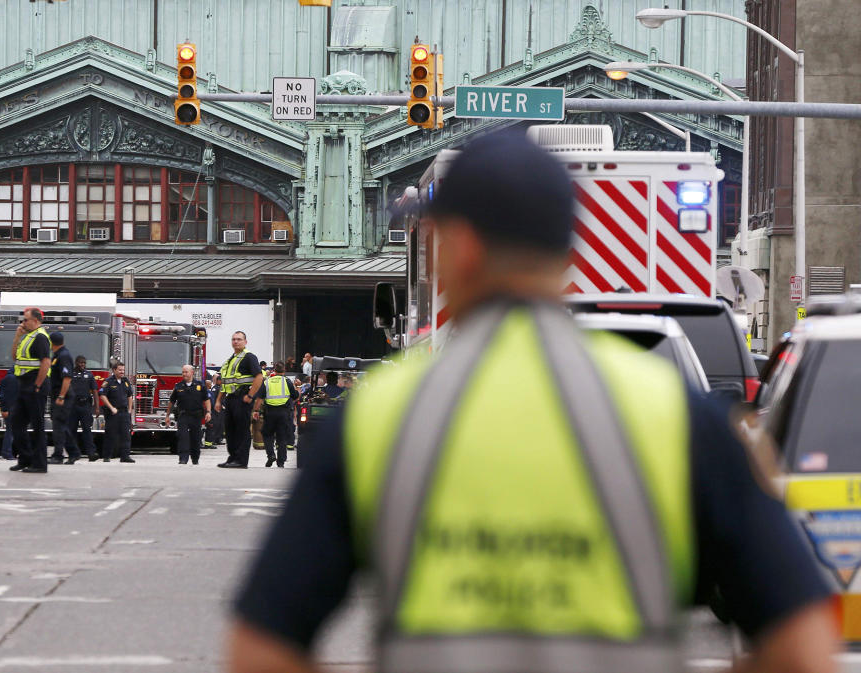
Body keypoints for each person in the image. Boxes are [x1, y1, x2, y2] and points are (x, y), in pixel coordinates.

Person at [228, 133, 839, 673]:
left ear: (459, 248)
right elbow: (804, 646)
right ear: (565, 250)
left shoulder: (381, 417)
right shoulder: (682, 418)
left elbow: (260, 650)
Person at [9, 307, 52, 474]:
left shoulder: (40, 337)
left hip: (35, 386)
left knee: (37, 426)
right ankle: (25, 458)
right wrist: (17, 337)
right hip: (24, 385)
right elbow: (14, 358)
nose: (23, 322)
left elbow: (46, 362)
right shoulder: (27, 336)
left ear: (36, 320)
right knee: (16, 422)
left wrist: (37, 385)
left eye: (25, 320)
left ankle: (40, 464)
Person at [216, 331, 263, 469]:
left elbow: (259, 377)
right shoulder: (231, 359)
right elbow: (225, 383)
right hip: (230, 399)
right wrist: (219, 400)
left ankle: (241, 461)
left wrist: (250, 396)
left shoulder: (249, 357)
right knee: (230, 431)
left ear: (245, 342)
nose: (236, 342)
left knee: (242, 430)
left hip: (242, 399)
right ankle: (233, 458)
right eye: (233, 339)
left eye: (239, 339)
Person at [253, 362, 299, 468]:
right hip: (284, 413)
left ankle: (271, 455)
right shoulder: (287, 381)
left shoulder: (267, 382)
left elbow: (259, 399)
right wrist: (298, 386)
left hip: (270, 413)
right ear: (284, 371)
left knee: (267, 434)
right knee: (282, 437)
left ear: (274, 370)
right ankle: (281, 462)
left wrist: (256, 411)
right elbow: (296, 397)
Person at [165, 364, 211, 465]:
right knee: (183, 437)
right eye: (183, 372)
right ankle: (183, 458)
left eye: (186, 372)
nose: (184, 374)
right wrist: (167, 415)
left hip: (196, 416)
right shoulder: (178, 386)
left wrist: (208, 412)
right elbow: (172, 401)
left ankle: (195, 458)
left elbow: (206, 400)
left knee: (196, 438)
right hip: (183, 415)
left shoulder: (200, 386)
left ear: (192, 373)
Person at [47, 332, 78, 465]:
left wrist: (61, 396)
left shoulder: (64, 356)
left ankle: (58, 455)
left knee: (59, 426)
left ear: (51, 342)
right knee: (60, 425)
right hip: (57, 395)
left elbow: (67, 378)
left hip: (62, 396)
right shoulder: (58, 355)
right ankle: (73, 452)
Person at [99, 361, 135, 463]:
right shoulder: (109, 381)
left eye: (123, 370)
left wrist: (129, 410)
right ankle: (107, 456)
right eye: (120, 370)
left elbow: (130, 395)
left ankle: (125, 456)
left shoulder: (125, 381)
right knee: (110, 434)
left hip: (124, 412)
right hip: (113, 413)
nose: (122, 372)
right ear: (114, 370)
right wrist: (111, 407)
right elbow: (102, 395)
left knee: (126, 435)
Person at [68, 355, 100, 462]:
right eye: (81, 363)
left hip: (85, 405)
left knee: (87, 430)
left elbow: (95, 391)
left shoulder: (89, 375)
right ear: (76, 363)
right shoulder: (70, 374)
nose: (83, 365)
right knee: (71, 431)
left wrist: (97, 407)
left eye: (84, 363)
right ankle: (73, 454)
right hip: (72, 406)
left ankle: (91, 453)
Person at [0, 372, 18, 460]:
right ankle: (7, 452)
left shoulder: (6, 379)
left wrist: (4, 409)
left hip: (9, 408)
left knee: (10, 431)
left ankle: (6, 452)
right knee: (11, 431)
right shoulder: (15, 378)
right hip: (14, 408)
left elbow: (2, 396)